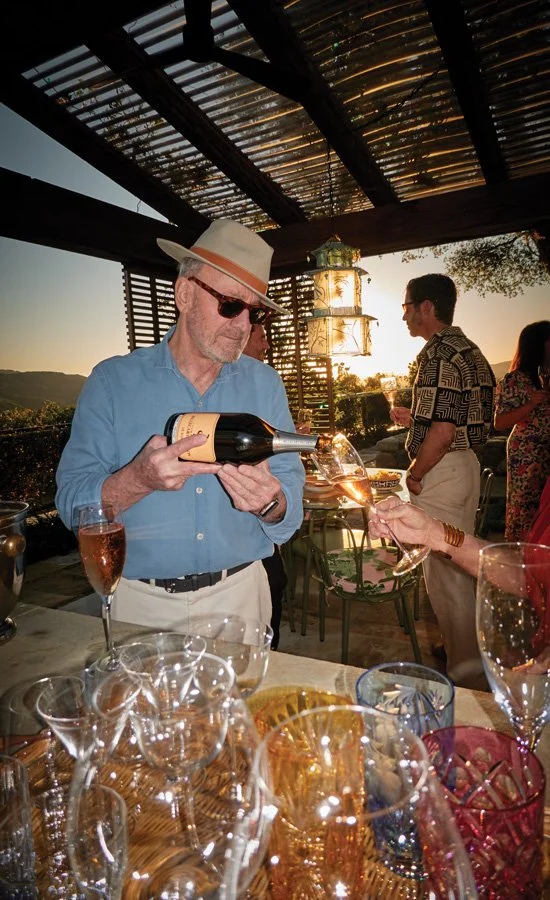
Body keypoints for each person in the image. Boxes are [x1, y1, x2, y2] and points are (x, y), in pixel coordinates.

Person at [56, 219, 305, 632]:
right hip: (140, 605)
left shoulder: (265, 383)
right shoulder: (112, 382)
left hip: (241, 596)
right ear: (185, 293)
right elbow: (71, 506)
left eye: (254, 311)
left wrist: (271, 503)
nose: (243, 325)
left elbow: (290, 507)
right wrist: (138, 479)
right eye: (229, 304)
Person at [390, 274, 496, 690]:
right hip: (465, 465)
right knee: (461, 573)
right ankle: (467, 656)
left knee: (449, 585)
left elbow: (444, 432)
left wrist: (414, 474)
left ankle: (469, 682)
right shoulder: (469, 350)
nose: (404, 316)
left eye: (406, 307)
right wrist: (414, 418)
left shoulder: (438, 354)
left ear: (427, 307)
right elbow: (455, 418)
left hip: (443, 470)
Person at [242, 322, 289, 649]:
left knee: (276, 576)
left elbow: (285, 469)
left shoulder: (266, 383)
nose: (268, 345)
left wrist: (280, 506)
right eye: (263, 337)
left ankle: (271, 650)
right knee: (276, 576)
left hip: (252, 554)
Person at [494, 320, 550, 542]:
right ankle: (521, 561)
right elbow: (499, 422)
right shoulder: (515, 380)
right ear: (538, 344)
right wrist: (531, 404)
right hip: (527, 455)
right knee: (525, 509)